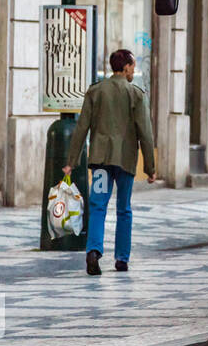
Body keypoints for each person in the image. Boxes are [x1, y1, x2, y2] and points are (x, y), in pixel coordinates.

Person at [64, 49, 157, 275]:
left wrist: (71, 161)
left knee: (98, 206)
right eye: (133, 66)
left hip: (101, 160)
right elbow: (145, 133)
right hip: (125, 160)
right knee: (124, 208)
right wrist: (150, 168)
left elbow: (81, 128)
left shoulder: (96, 91)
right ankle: (122, 259)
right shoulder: (136, 94)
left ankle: (94, 251)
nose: (134, 70)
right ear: (125, 67)